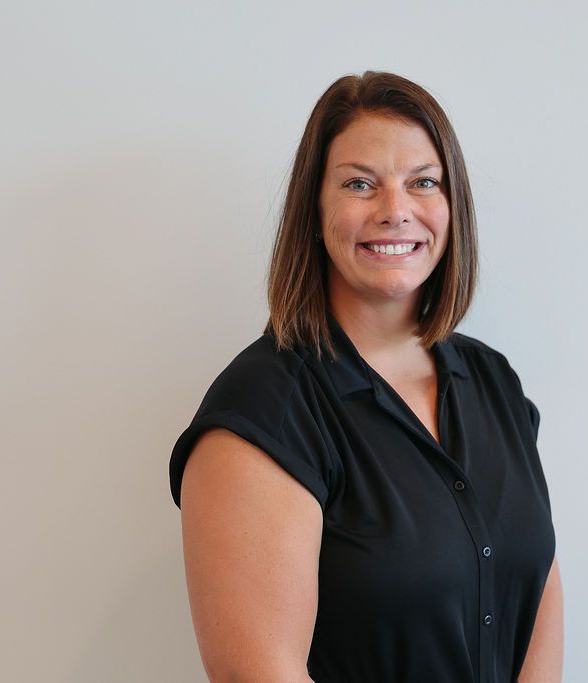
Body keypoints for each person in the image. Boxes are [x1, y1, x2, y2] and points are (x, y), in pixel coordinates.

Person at [169, 70, 563, 683]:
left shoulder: (495, 384)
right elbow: (261, 674)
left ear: (452, 202)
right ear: (315, 207)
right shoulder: (264, 411)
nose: (395, 211)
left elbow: (537, 592)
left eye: (423, 183)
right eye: (360, 184)